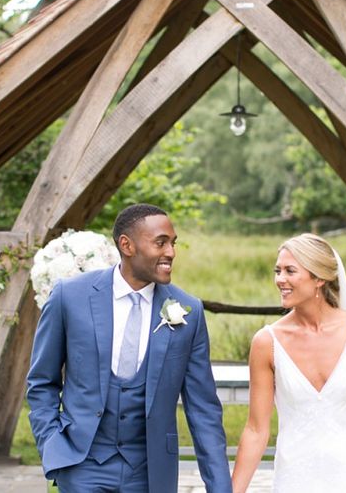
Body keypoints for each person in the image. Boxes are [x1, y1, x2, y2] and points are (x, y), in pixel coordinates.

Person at [27, 203, 232, 493]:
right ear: (127, 245)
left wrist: (220, 488)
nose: (171, 252)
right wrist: (52, 444)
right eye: (160, 243)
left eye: (173, 244)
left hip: (149, 473)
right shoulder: (70, 297)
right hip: (82, 466)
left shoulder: (189, 311)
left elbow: (203, 411)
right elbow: (41, 382)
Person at [231, 233, 346, 493]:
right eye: (278, 271)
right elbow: (255, 430)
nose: (280, 279)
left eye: (290, 271)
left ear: (319, 278)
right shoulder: (266, 342)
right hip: (294, 479)